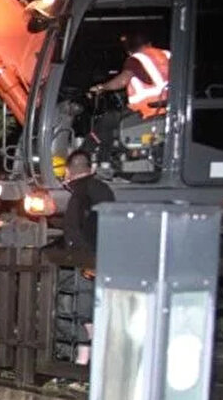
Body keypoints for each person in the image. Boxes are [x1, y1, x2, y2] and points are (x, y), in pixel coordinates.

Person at [85, 33, 171, 165]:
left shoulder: (136, 59)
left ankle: (100, 160)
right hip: (170, 108)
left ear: (130, 49)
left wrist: (101, 87)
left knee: (107, 121)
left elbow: (123, 80)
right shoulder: (167, 55)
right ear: (149, 43)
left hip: (146, 111)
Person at [61, 150, 114, 256]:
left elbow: (74, 227)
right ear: (90, 169)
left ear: (68, 170)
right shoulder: (102, 187)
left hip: (89, 253)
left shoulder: (79, 193)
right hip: (106, 249)